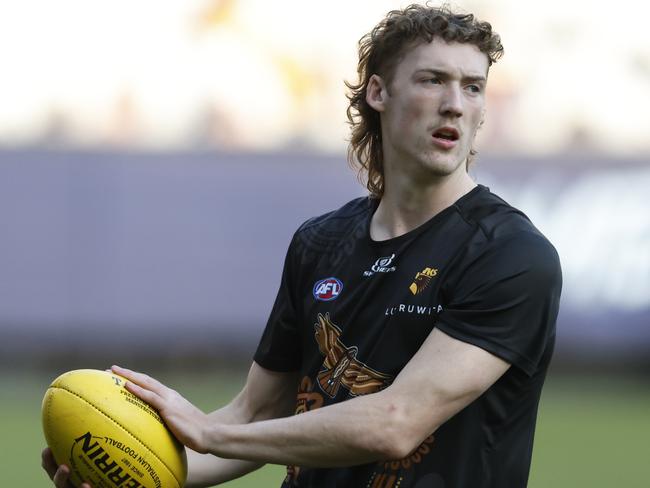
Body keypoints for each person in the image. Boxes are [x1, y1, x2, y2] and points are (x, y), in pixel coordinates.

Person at [42, 4, 562, 487]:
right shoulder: (320, 242)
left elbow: (396, 422)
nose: (455, 104)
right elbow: (258, 413)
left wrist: (207, 432)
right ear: (379, 93)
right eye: (433, 81)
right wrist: (130, 467)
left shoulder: (510, 254)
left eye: (473, 87)